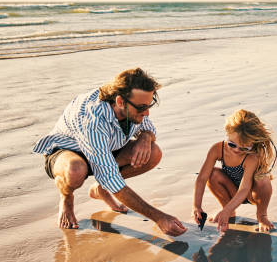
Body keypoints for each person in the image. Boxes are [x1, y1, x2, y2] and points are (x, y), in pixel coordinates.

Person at [33, 68, 186, 236]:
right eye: (142, 107)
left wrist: (145, 137)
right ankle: (66, 198)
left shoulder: (134, 105)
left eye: (150, 105)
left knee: (153, 152)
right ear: (120, 101)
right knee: (75, 170)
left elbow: (148, 128)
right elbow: (110, 177)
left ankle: (101, 189)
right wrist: (159, 217)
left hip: (106, 149)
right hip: (67, 151)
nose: (147, 112)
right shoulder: (93, 120)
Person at [192, 109, 277, 233]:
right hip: (231, 189)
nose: (237, 150)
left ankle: (262, 216)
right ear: (227, 133)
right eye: (232, 144)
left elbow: (244, 188)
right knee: (212, 174)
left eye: (245, 147)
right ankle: (229, 211)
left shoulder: (251, 157)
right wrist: (197, 206)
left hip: (250, 193)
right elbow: (202, 178)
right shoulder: (217, 149)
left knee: (263, 180)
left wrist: (224, 211)